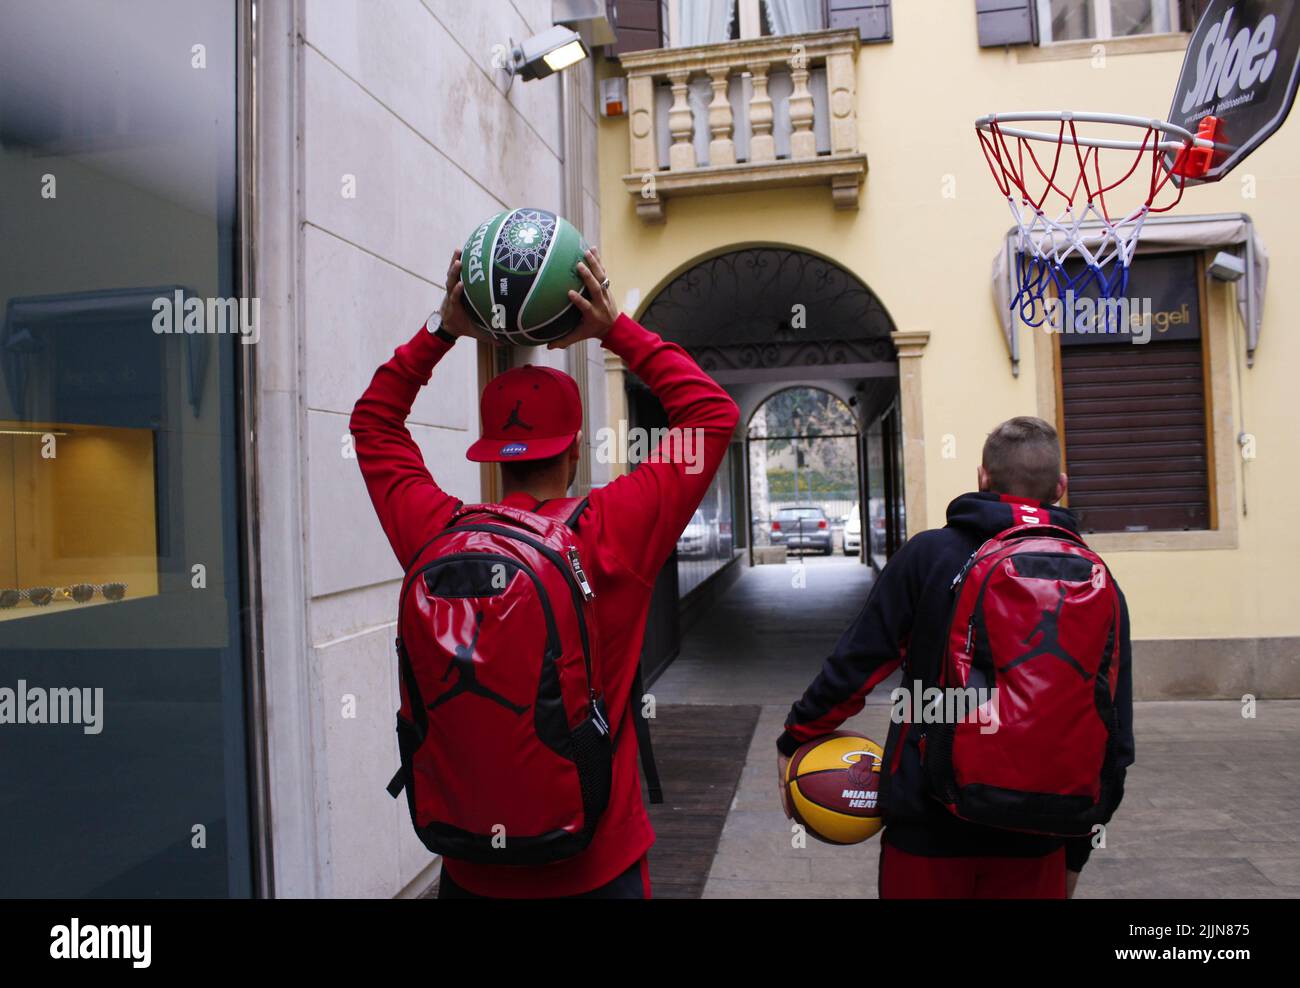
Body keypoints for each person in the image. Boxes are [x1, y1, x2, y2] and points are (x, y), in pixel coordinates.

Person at [350, 247, 739, 898]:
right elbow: (712, 415)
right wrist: (615, 328)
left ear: (490, 453)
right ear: (577, 445)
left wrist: (442, 330)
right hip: (596, 863)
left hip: (472, 869)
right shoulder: (612, 530)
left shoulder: (436, 534)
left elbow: (373, 424)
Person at [776, 416, 1134, 899]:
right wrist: (1076, 853)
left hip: (928, 825)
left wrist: (797, 735)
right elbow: (1116, 735)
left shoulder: (929, 554)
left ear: (982, 477)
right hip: (1044, 833)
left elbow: (857, 664)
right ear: (1061, 487)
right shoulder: (1096, 579)